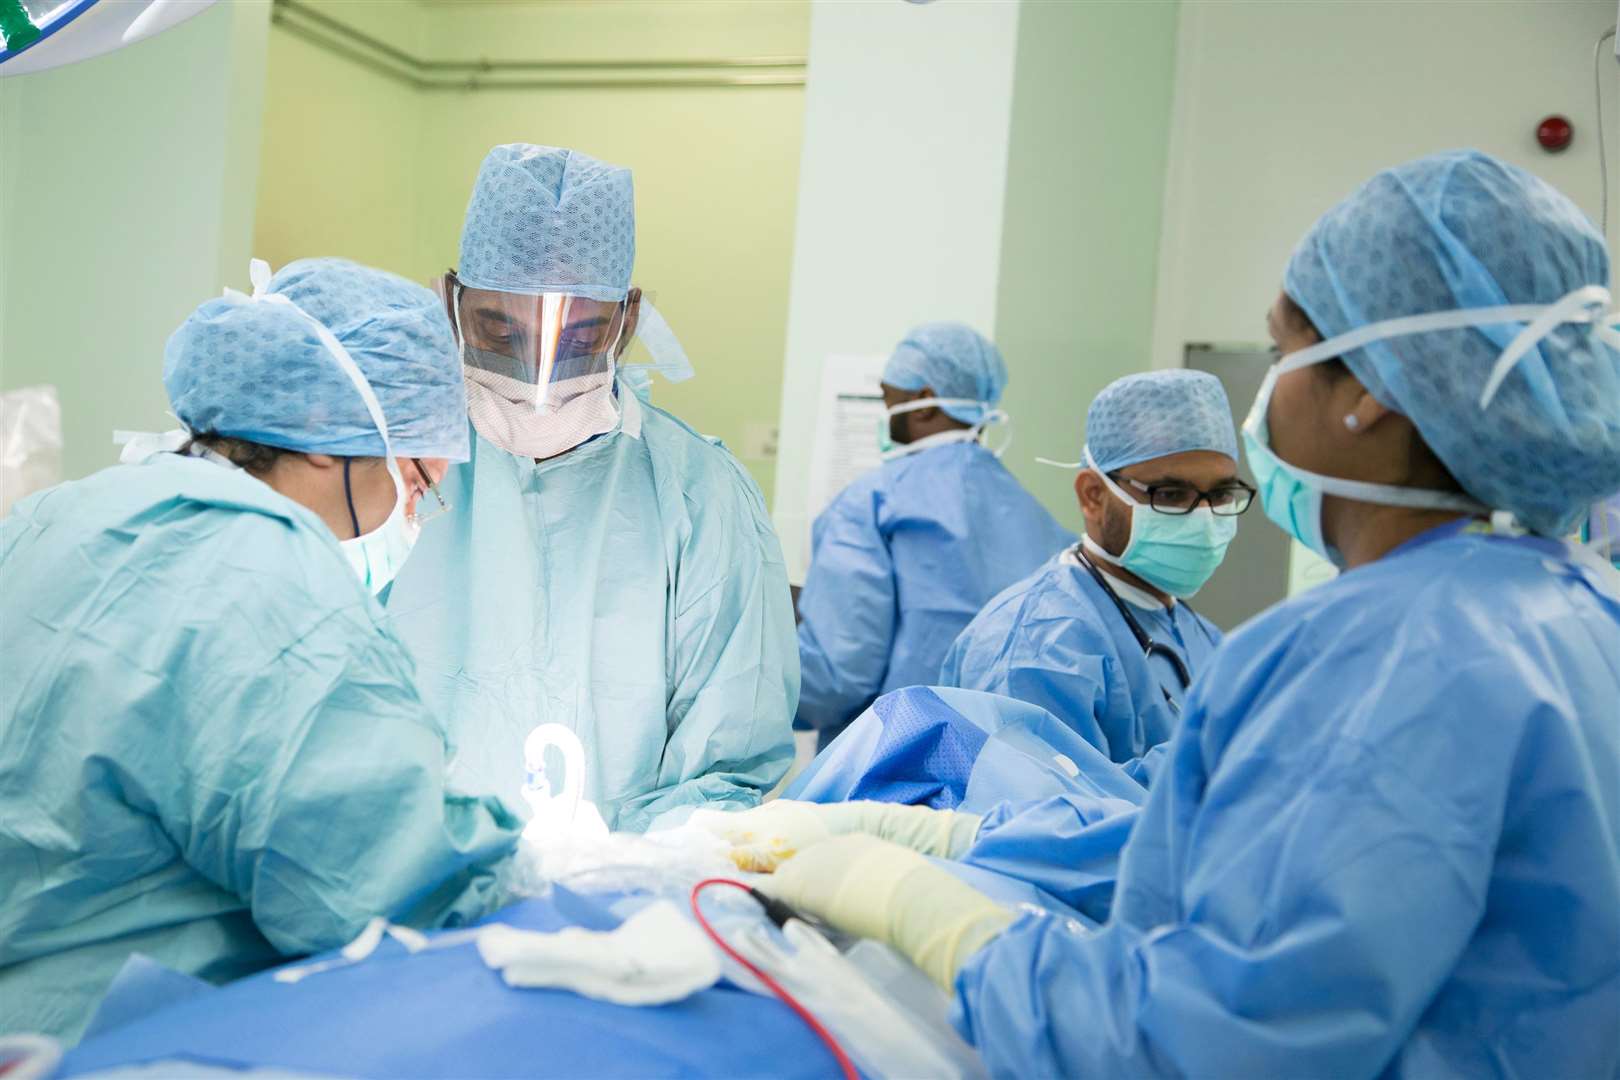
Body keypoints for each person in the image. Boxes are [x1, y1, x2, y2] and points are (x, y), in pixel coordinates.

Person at [712, 151, 1620, 1075]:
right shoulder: (1572, 610)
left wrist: (940, 918)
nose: (1266, 401)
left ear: (1373, 391)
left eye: (1282, 356)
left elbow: (1198, 1042)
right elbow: (1244, 857)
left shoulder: (1380, 656)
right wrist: (959, 836)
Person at [0, 258, 523, 1044]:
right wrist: (541, 869)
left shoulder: (55, 516)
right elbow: (385, 885)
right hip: (105, 1044)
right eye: (418, 477)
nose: (416, 512)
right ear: (323, 438)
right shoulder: (278, 581)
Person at [381, 144, 796, 832]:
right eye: (500, 330)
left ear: (627, 319)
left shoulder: (700, 496)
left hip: (614, 904)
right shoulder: (388, 472)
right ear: (451, 300)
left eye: (578, 336)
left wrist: (606, 885)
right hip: (406, 890)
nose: (536, 377)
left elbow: (726, 770)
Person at [940, 370, 1245, 766]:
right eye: (1171, 494)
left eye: (1220, 494)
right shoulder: (1039, 649)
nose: (1204, 517)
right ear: (1093, 496)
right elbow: (1037, 819)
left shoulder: (1196, 634)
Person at [795, 323, 1074, 748]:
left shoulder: (873, 502)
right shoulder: (1037, 516)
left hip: (895, 771)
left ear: (924, 402)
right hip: (1005, 771)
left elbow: (837, 675)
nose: (885, 415)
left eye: (889, 400)